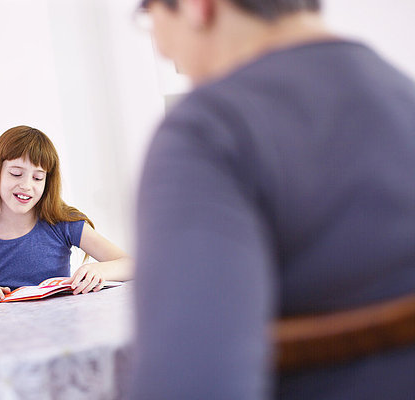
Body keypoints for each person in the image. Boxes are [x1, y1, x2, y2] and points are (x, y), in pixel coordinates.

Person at [131, 0, 415, 399]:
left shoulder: (208, 130)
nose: (163, 49)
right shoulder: (404, 93)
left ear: (197, 7)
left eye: (151, 17)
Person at [0, 126, 133, 305]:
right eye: (16, 173)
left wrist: (98, 270)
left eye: (37, 178)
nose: (27, 185)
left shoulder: (62, 223)